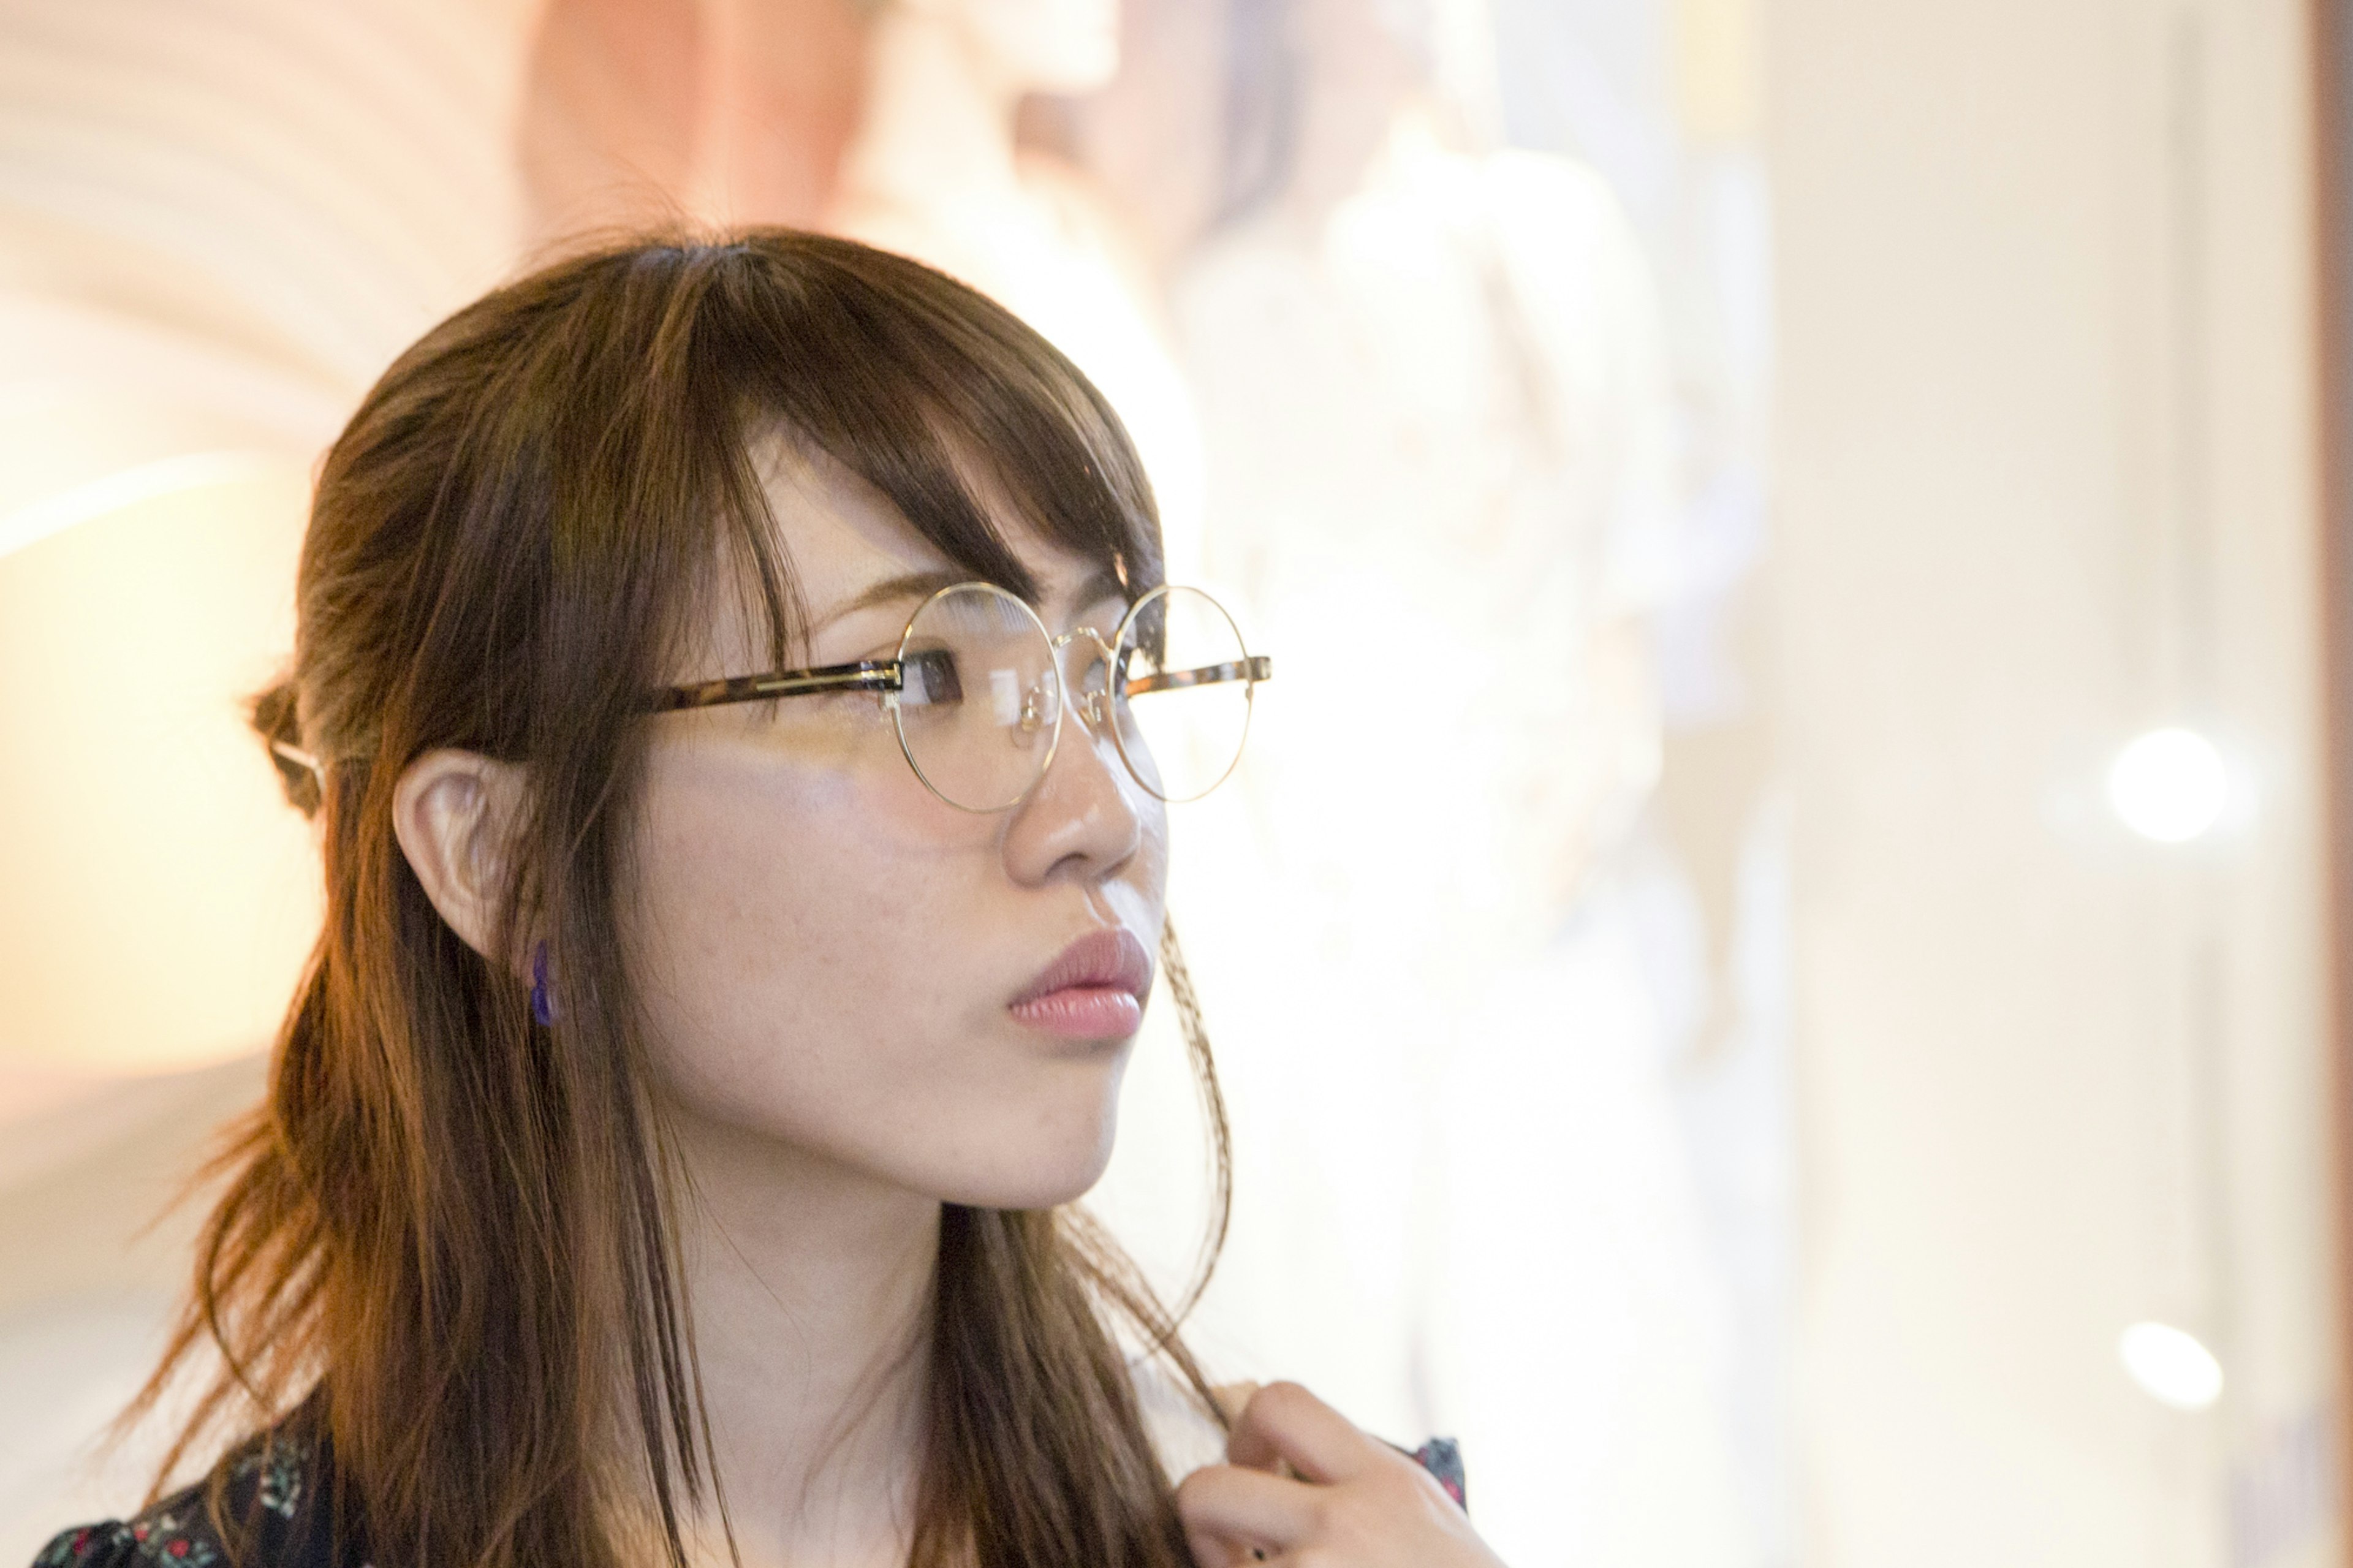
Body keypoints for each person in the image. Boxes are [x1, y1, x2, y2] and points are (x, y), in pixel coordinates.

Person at [27, 231, 1494, 1568]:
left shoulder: (1309, 1539)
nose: (1102, 814)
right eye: (922, 676)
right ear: (501, 856)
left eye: (1107, 673)